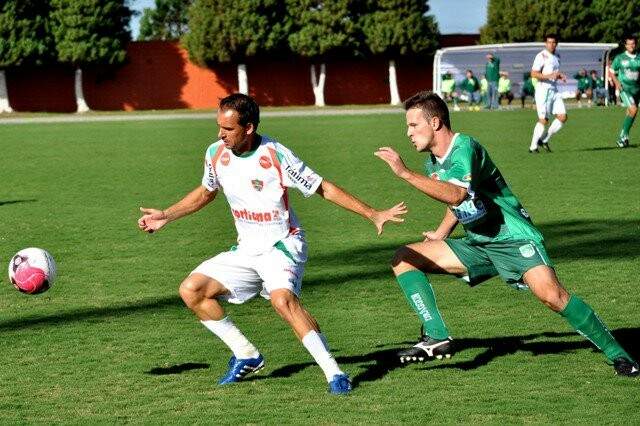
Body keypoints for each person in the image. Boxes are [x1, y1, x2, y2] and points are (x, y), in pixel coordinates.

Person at [138, 93, 407, 394]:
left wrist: (373, 214)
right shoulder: (215, 153)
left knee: (282, 301)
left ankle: (335, 373)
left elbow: (323, 188)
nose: (220, 134)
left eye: (227, 129)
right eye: (219, 127)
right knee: (192, 290)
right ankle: (246, 355)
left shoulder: (275, 155)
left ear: (249, 127)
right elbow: (206, 192)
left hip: (282, 245)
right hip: (246, 249)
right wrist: (166, 215)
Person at [373, 91, 639, 377]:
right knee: (404, 258)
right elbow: (458, 203)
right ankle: (437, 336)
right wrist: (440, 233)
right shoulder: (434, 162)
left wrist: (406, 174)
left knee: (553, 297)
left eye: (413, 125)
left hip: (513, 238)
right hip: (479, 244)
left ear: (435, 122)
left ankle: (620, 355)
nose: (408, 133)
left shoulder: (465, 147)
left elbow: (459, 193)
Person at [529, 34, 568, 153]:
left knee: (562, 116)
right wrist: (549, 76)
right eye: (549, 42)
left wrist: (560, 75)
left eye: (553, 42)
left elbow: (554, 71)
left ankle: (544, 139)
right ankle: (533, 147)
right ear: (545, 43)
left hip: (554, 90)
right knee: (544, 120)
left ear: (556, 44)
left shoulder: (557, 56)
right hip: (543, 90)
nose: (551, 44)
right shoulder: (541, 56)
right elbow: (534, 74)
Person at [610, 35, 640, 148]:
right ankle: (622, 138)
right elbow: (611, 71)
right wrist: (617, 83)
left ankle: (625, 137)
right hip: (625, 88)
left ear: (635, 44)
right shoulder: (620, 58)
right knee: (633, 109)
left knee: (631, 112)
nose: (631, 46)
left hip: (636, 89)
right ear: (625, 45)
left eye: (633, 43)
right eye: (629, 44)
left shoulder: (639, 57)